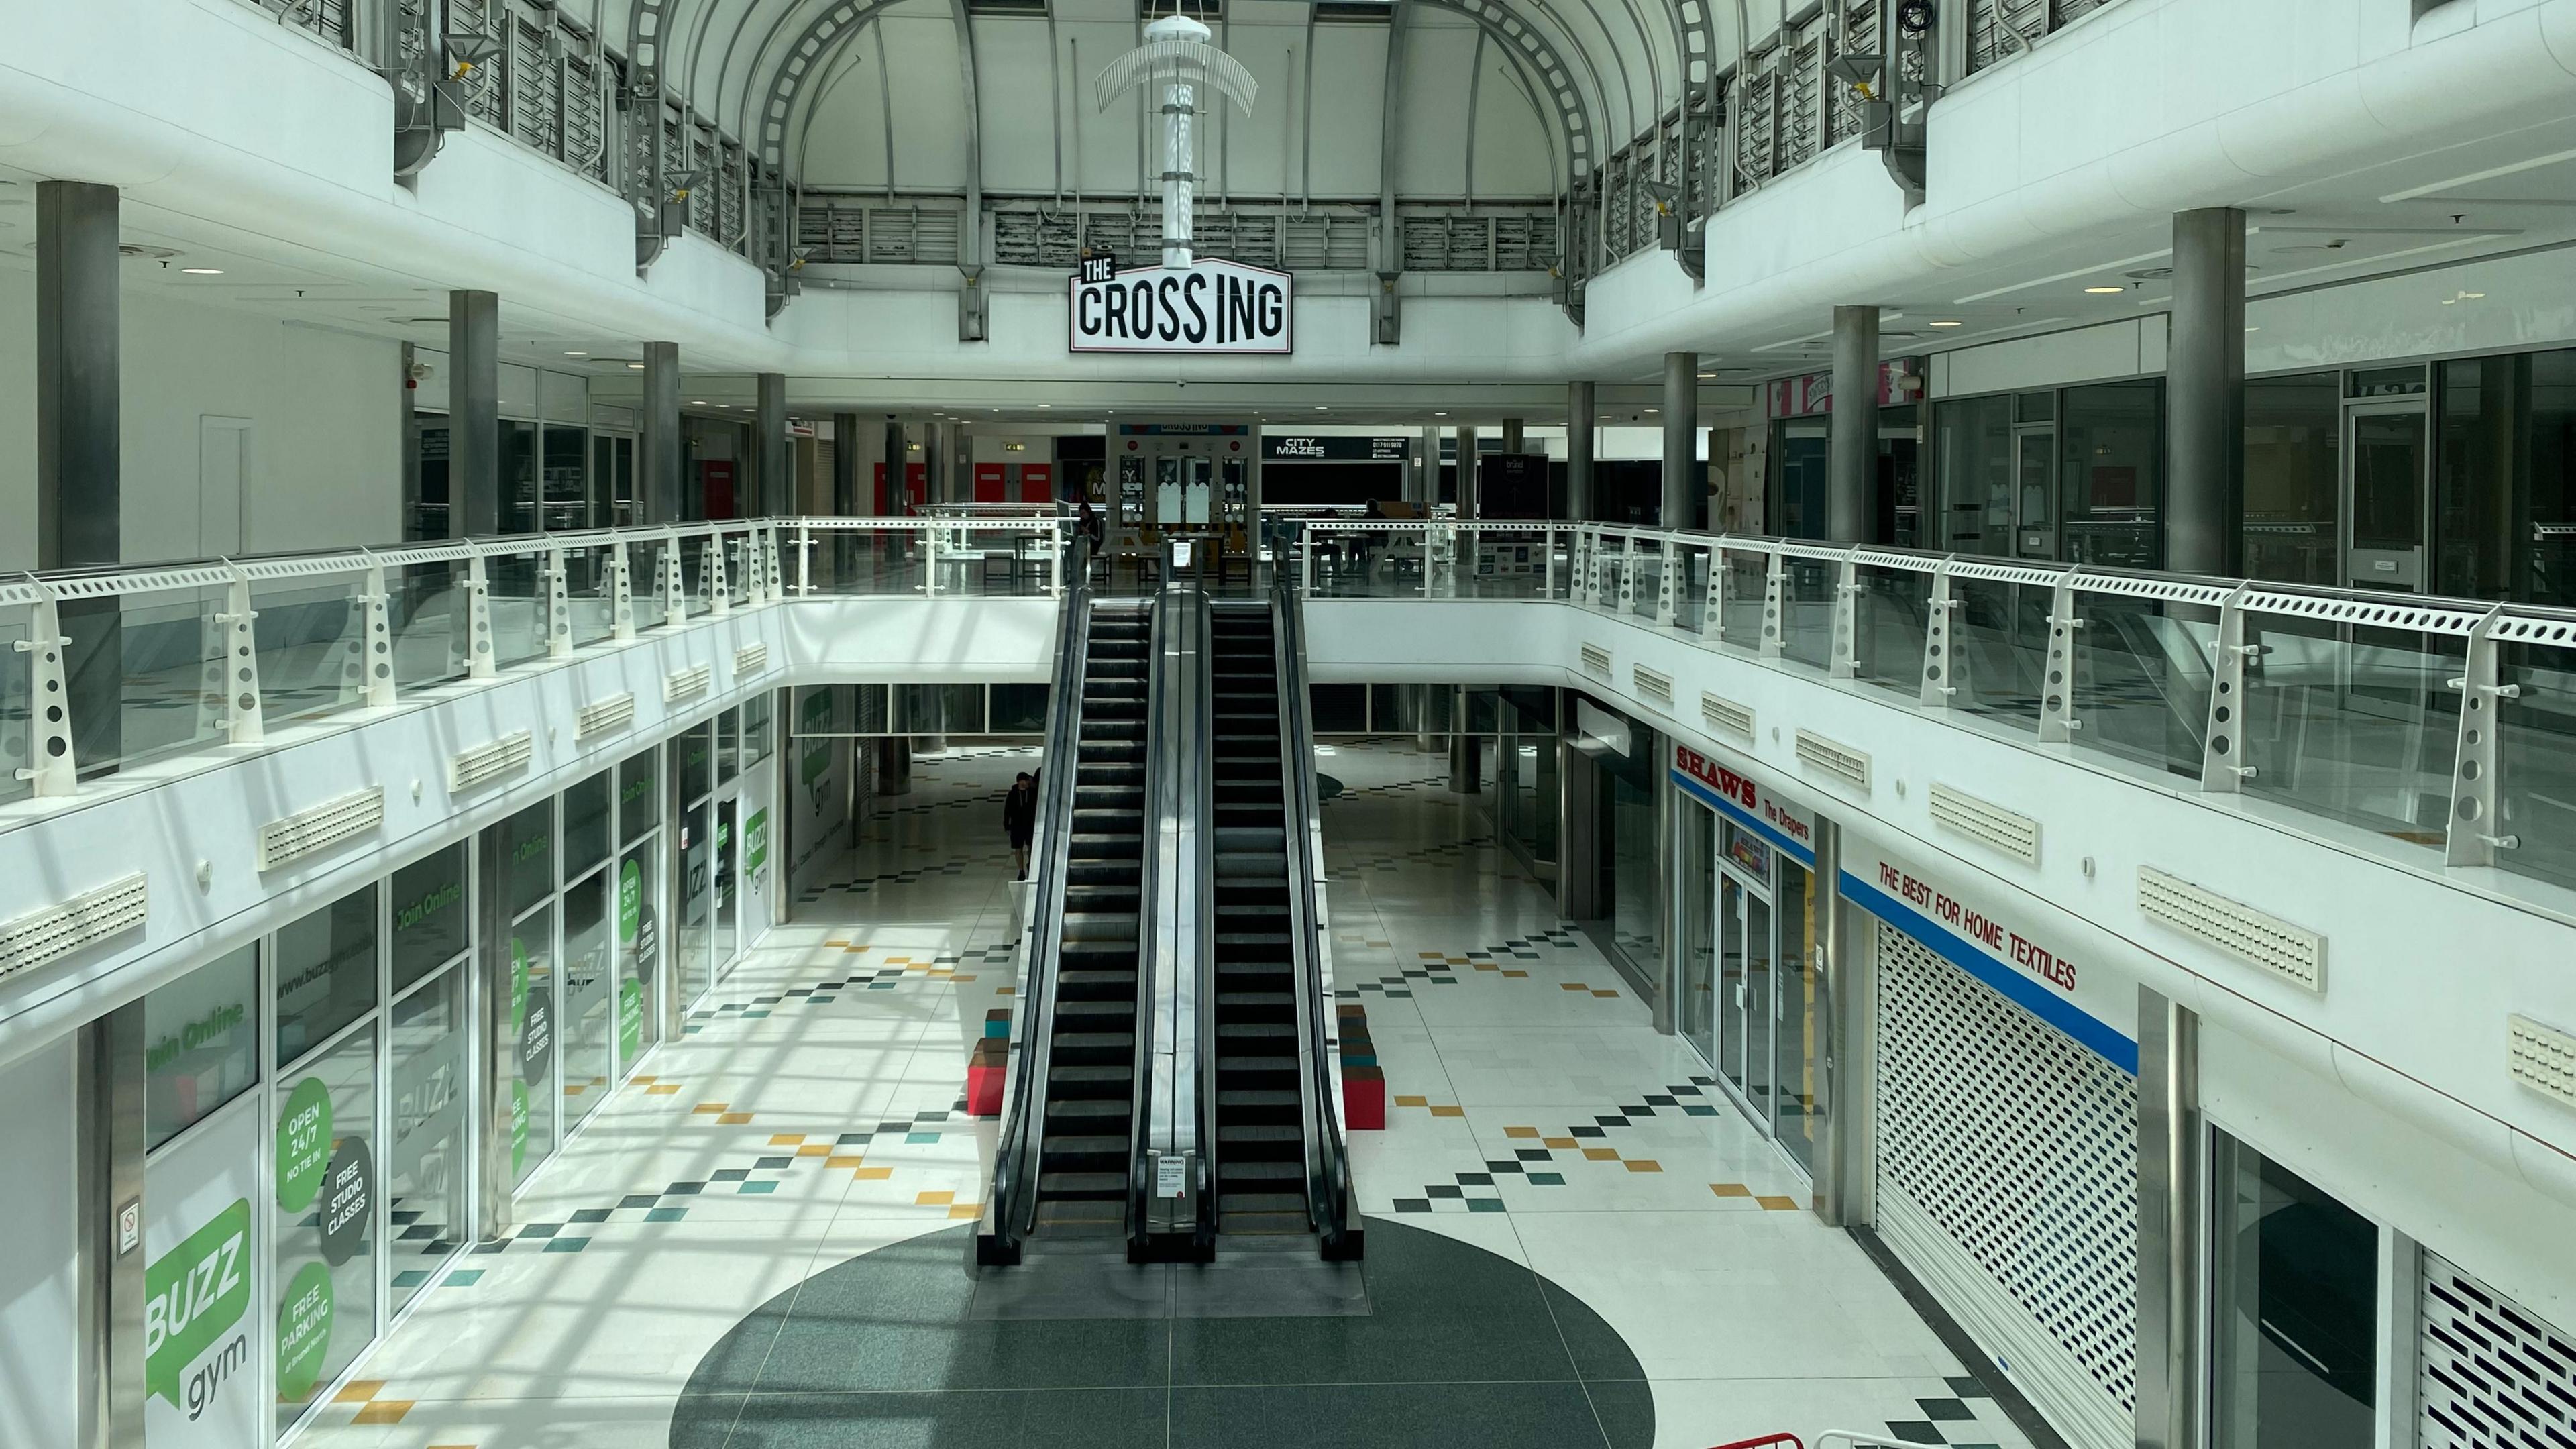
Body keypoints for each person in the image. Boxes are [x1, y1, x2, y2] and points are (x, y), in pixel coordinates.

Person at [1003, 770, 1038, 880]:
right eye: (1027, 780)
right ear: (1021, 781)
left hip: (1030, 825)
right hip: (1017, 826)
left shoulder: (1032, 793)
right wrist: (1006, 825)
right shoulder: (1012, 794)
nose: (1028, 782)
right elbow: (1007, 810)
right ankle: (1021, 870)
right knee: (1018, 849)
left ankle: (1030, 864)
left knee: (1031, 847)